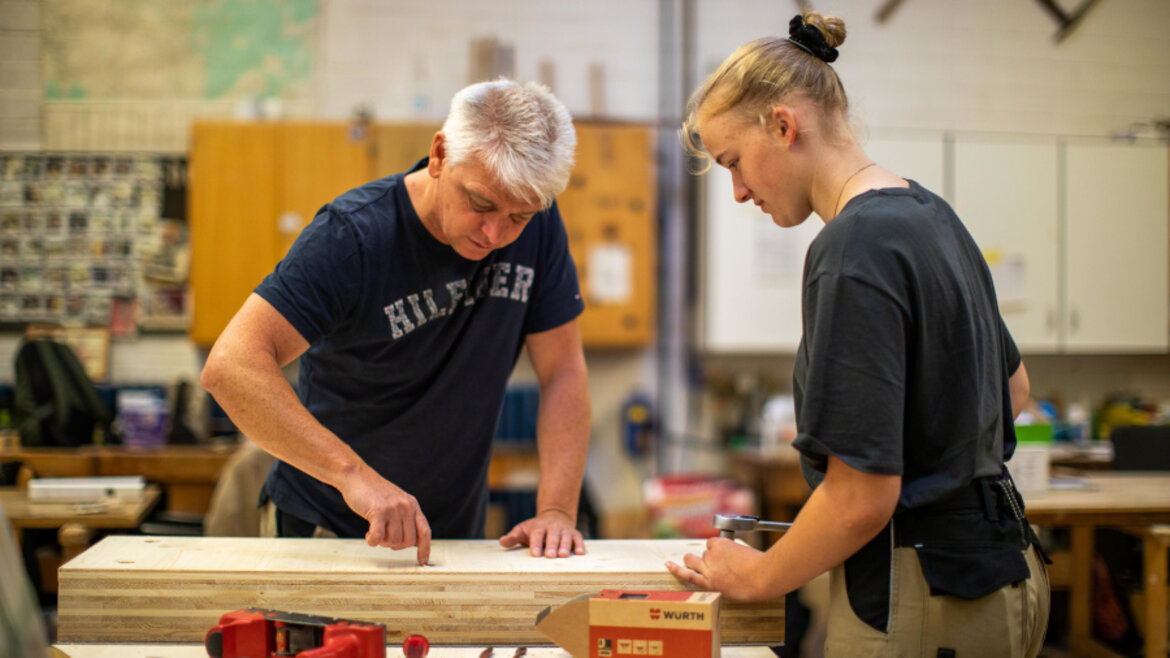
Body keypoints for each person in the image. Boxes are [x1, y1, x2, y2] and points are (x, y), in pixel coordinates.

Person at [665, 12, 1050, 657]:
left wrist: (759, 575)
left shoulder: (853, 247)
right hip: (1005, 576)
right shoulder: (931, 214)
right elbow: (1012, 389)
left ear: (783, 126)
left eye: (735, 163)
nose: (738, 191)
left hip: (925, 597)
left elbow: (861, 496)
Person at [201, 79, 591, 566]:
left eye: (519, 217)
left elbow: (563, 372)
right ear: (440, 155)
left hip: (452, 537)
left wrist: (556, 510)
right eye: (480, 204)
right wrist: (353, 476)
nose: (496, 233)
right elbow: (231, 366)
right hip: (330, 532)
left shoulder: (539, 224)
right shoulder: (353, 236)